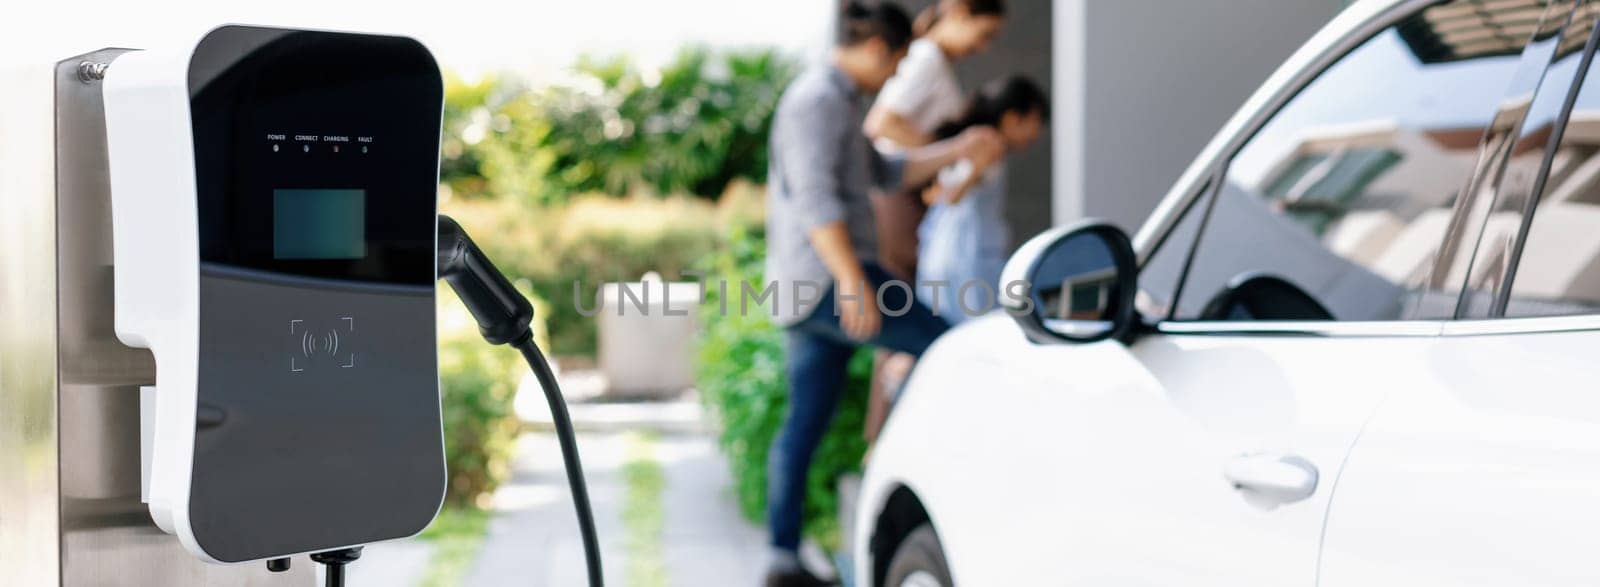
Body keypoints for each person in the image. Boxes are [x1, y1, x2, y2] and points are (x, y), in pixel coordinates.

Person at [762, 3, 1003, 586]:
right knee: (945, 345)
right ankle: (947, 480)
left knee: (805, 424)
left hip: (809, 287)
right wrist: (852, 283)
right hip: (826, 281)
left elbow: (887, 173)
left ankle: (782, 559)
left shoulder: (840, 102)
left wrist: (956, 148)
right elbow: (816, 200)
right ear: (875, 49)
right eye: (896, 63)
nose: (896, 76)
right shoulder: (817, 101)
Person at [860, 0, 1006, 445]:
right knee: (912, 324)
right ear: (959, 12)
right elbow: (882, 123)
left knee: (906, 323)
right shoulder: (925, 58)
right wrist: (947, 153)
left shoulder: (931, 60)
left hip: (908, 202)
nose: (983, 48)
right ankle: (889, 442)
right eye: (983, 35)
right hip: (898, 206)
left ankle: (885, 440)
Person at [918, 76, 1049, 324]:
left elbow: (937, 194)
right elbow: (954, 193)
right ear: (1012, 118)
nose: (1037, 133)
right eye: (1036, 122)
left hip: (948, 249)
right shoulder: (990, 144)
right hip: (966, 253)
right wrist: (973, 172)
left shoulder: (980, 141)